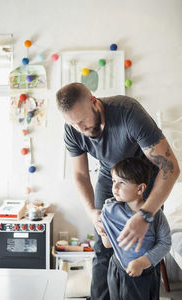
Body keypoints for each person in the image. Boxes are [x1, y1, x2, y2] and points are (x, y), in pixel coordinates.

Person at [56, 82, 180, 300]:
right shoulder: (73, 130)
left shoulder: (128, 113)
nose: (81, 129)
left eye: (83, 121)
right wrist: (92, 213)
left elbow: (170, 168)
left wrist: (145, 214)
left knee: (145, 243)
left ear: (94, 101)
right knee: (102, 247)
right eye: (74, 125)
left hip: (145, 177)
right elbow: (80, 175)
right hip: (109, 176)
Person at [100, 157, 171, 300]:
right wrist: (103, 233)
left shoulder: (155, 214)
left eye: (122, 183)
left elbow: (165, 243)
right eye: (114, 181)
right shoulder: (111, 209)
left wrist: (141, 262)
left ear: (140, 188)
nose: (114, 188)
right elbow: (108, 244)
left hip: (144, 273)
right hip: (117, 268)